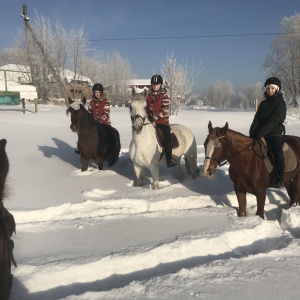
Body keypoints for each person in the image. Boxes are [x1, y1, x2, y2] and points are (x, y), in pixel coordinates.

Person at [249, 77, 286, 188]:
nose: (270, 90)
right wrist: (252, 132)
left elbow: (274, 120)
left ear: (277, 90)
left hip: (274, 133)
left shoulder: (280, 103)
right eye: (268, 88)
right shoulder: (263, 104)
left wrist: (262, 132)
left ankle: (280, 178)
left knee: (277, 154)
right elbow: (257, 119)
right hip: (261, 132)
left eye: (272, 88)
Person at [146, 74, 177, 168]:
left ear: (161, 84)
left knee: (167, 137)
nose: (155, 86)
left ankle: (169, 159)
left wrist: (154, 118)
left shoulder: (164, 95)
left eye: (157, 84)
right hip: (149, 121)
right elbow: (145, 108)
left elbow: (164, 110)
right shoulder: (148, 95)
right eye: (153, 84)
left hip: (162, 122)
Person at [86, 83, 118, 164]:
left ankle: (113, 150)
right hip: (93, 125)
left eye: (99, 92)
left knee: (111, 135)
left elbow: (106, 113)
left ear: (101, 92)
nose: (97, 94)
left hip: (104, 124)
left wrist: (99, 120)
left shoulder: (106, 101)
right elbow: (89, 112)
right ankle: (82, 149)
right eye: (96, 92)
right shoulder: (91, 102)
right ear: (93, 92)